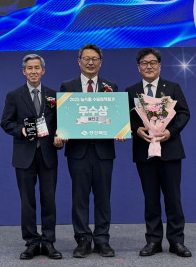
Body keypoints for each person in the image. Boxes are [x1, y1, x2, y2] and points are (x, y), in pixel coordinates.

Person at [125, 48, 192, 257]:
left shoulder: (172, 87)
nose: (149, 66)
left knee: (173, 198)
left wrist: (170, 132)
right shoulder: (131, 91)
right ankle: (153, 240)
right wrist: (136, 129)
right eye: (144, 63)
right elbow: (125, 118)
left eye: (153, 62)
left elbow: (184, 113)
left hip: (170, 150)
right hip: (144, 151)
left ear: (159, 66)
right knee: (150, 198)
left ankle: (176, 241)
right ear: (138, 67)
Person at [1, 54, 63, 260]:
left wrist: (59, 135)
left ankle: (48, 241)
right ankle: (31, 242)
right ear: (24, 71)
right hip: (24, 155)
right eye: (30, 68)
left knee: (49, 200)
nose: (33, 71)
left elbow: (60, 123)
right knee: (27, 201)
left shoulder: (53, 95)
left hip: (47, 154)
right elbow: (6, 122)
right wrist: (21, 131)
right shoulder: (14, 95)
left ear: (43, 71)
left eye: (37, 68)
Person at [59, 44, 118, 258]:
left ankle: (102, 239)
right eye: (86, 58)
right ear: (79, 61)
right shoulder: (68, 86)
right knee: (79, 198)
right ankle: (82, 239)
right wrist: (60, 132)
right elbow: (63, 117)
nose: (90, 62)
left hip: (103, 151)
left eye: (95, 59)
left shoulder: (111, 86)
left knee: (103, 198)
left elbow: (115, 117)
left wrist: (120, 129)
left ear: (100, 62)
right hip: (78, 152)